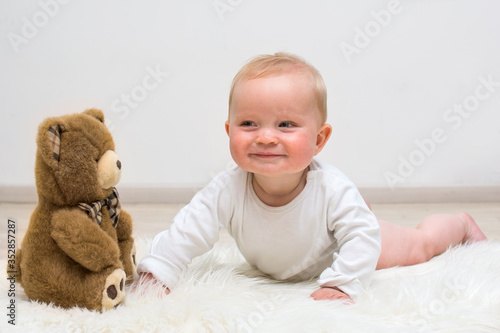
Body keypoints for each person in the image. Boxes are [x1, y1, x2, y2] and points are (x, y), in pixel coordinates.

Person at [135, 52, 487, 302]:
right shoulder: (227, 189)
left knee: (420, 246)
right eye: (248, 124)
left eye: (286, 124)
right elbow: (188, 229)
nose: (266, 136)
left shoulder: (330, 187)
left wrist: (343, 283)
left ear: (319, 139)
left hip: (341, 247)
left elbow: (363, 239)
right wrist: (160, 269)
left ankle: (459, 224)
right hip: (308, 246)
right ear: (229, 131)